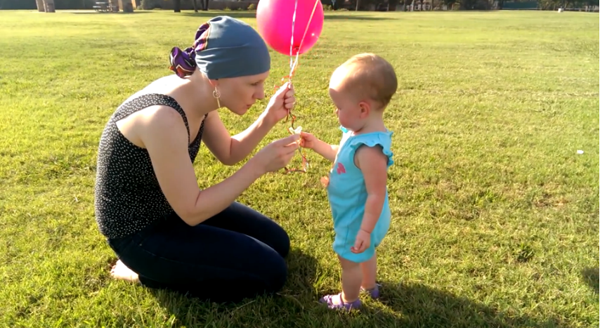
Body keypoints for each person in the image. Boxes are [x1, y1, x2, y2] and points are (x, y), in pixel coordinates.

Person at [94, 16, 301, 303]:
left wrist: (268, 118)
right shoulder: (163, 117)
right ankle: (145, 270)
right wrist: (259, 166)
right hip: (139, 233)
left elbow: (228, 152)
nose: (260, 93)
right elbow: (192, 210)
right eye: (253, 83)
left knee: (279, 243)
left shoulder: (201, 93)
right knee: (271, 273)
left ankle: (176, 261)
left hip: (172, 209)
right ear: (216, 77)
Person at [299, 53, 397, 310]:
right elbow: (341, 155)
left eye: (340, 107)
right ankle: (370, 286)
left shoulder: (369, 150)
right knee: (366, 251)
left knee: (349, 258)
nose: (335, 111)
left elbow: (376, 193)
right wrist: (316, 144)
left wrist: (364, 231)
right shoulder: (358, 134)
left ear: (362, 109)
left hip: (359, 217)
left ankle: (349, 300)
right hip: (364, 216)